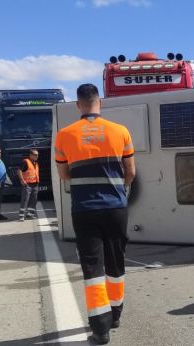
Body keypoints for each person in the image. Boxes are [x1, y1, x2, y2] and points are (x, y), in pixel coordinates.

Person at [54, 83, 135, 345]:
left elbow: (64, 175)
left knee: (92, 267)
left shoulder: (64, 135)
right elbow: (131, 172)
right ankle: (116, 313)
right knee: (116, 262)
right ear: (100, 102)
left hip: (84, 210)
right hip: (115, 208)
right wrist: (119, 191)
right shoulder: (120, 131)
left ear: (78, 104)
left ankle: (101, 330)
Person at [17, 149, 40, 221]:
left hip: (35, 184)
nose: (37, 156)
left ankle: (30, 215)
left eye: (37, 155)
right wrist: (22, 180)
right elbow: (19, 171)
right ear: (30, 155)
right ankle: (21, 216)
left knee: (33, 200)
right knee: (25, 200)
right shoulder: (26, 161)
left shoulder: (35, 163)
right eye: (35, 155)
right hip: (28, 184)